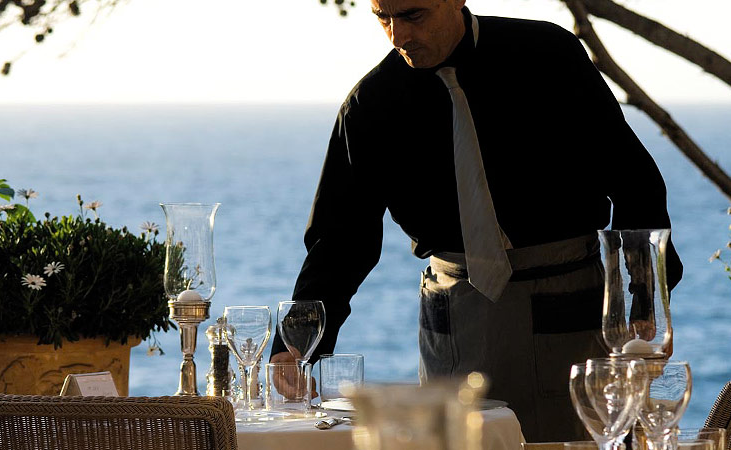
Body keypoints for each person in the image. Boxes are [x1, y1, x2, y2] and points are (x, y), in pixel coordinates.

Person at [269, 0, 683, 442]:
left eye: (412, 15)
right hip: (454, 322)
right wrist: (295, 343)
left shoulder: (548, 55)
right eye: (383, 18)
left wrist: (646, 301)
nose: (398, 35)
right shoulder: (370, 104)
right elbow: (340, 241)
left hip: (570, 313)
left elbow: (634, 182)